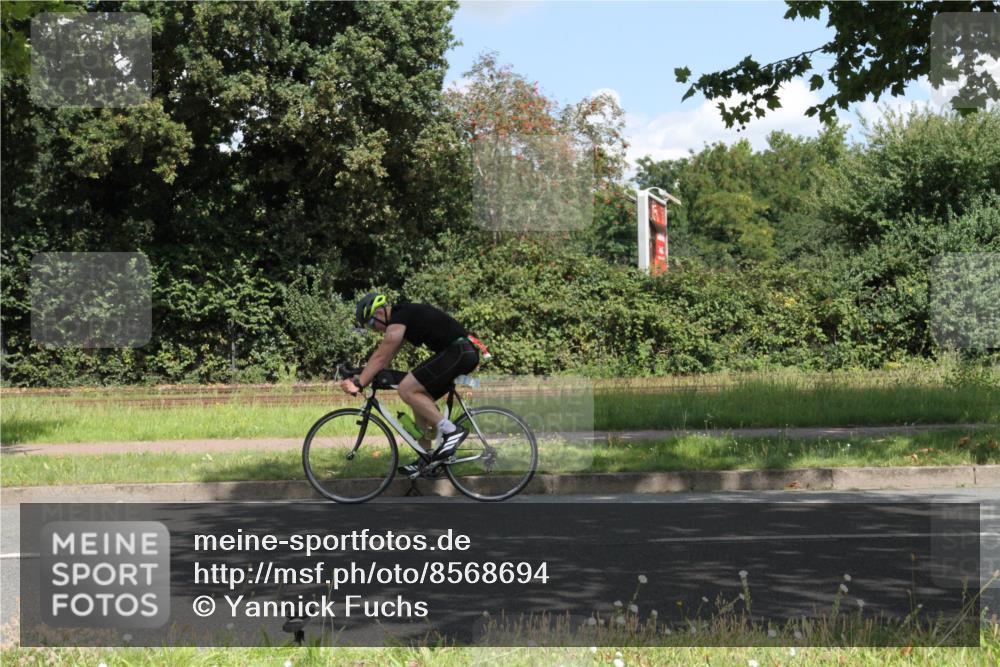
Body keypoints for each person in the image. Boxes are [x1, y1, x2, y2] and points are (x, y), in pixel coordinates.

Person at [341, 293, 480, 475]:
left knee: (407, 389)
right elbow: (385, 359)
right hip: (459, 352)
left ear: (380, 313)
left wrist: (359, 383)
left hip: (459, 351)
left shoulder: (400, 316)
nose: (375, 330)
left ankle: (452, 431)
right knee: (417, 398)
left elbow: (380, 357)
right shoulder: (403, 319)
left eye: (372, 324)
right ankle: (426, 460)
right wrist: (363, 374)